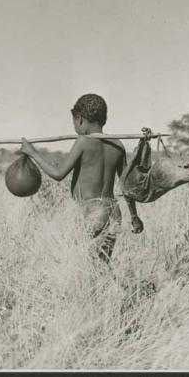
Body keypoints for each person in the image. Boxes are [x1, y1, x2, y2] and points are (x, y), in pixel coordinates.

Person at [20, 93, 144, 263]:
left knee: (84, 266)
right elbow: (126, 185)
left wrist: (32, 152)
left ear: (80, 119)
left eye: (74, 123)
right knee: (102, 264)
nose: (75, 128)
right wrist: (134, 216)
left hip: (91, 212)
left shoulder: (83, 141)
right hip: (113, 212)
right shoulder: (118, 144)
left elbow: (58, 174)